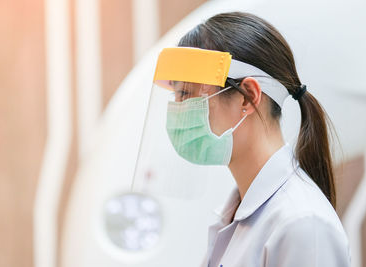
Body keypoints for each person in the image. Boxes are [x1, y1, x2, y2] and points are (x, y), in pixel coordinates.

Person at [133, 11, 351, 267]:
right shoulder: (238, 215)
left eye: (186, 93)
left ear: (247, 96)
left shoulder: (302, 225)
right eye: (176, 96)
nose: (178, 110)